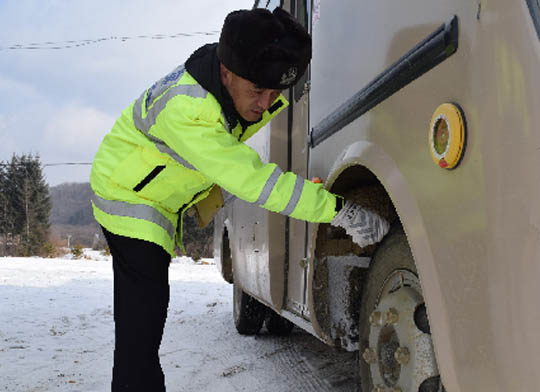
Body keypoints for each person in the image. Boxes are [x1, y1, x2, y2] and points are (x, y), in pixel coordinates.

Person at [90, 7, 389, 392]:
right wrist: (336, 209)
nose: (266, 103)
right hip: (126, 196)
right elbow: (254, 181)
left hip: (160, 191)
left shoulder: (229, 78)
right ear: (227, 73)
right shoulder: (188, 110)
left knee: (146, 314)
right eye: (257, 92)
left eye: (276, 92)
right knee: (142, 320)